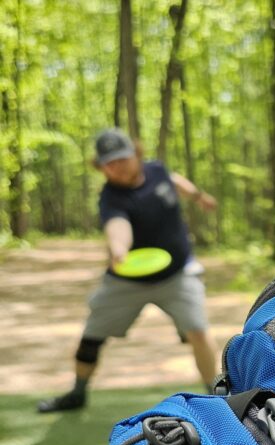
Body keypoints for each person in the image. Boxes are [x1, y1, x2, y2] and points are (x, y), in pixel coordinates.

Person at [38, 128, 220, 413]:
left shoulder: (157, 170)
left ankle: (217, 393)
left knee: (197, 329)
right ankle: (77, 393)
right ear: (100, 167)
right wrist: (118, 249)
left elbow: (175, 181)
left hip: (177, 273)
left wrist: (198, 196)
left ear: (135, 153)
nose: (117, 167)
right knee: (92, 336)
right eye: (109, 163)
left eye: (122, 159)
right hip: (126, 279)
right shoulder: (111, 197)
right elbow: (117, 226)